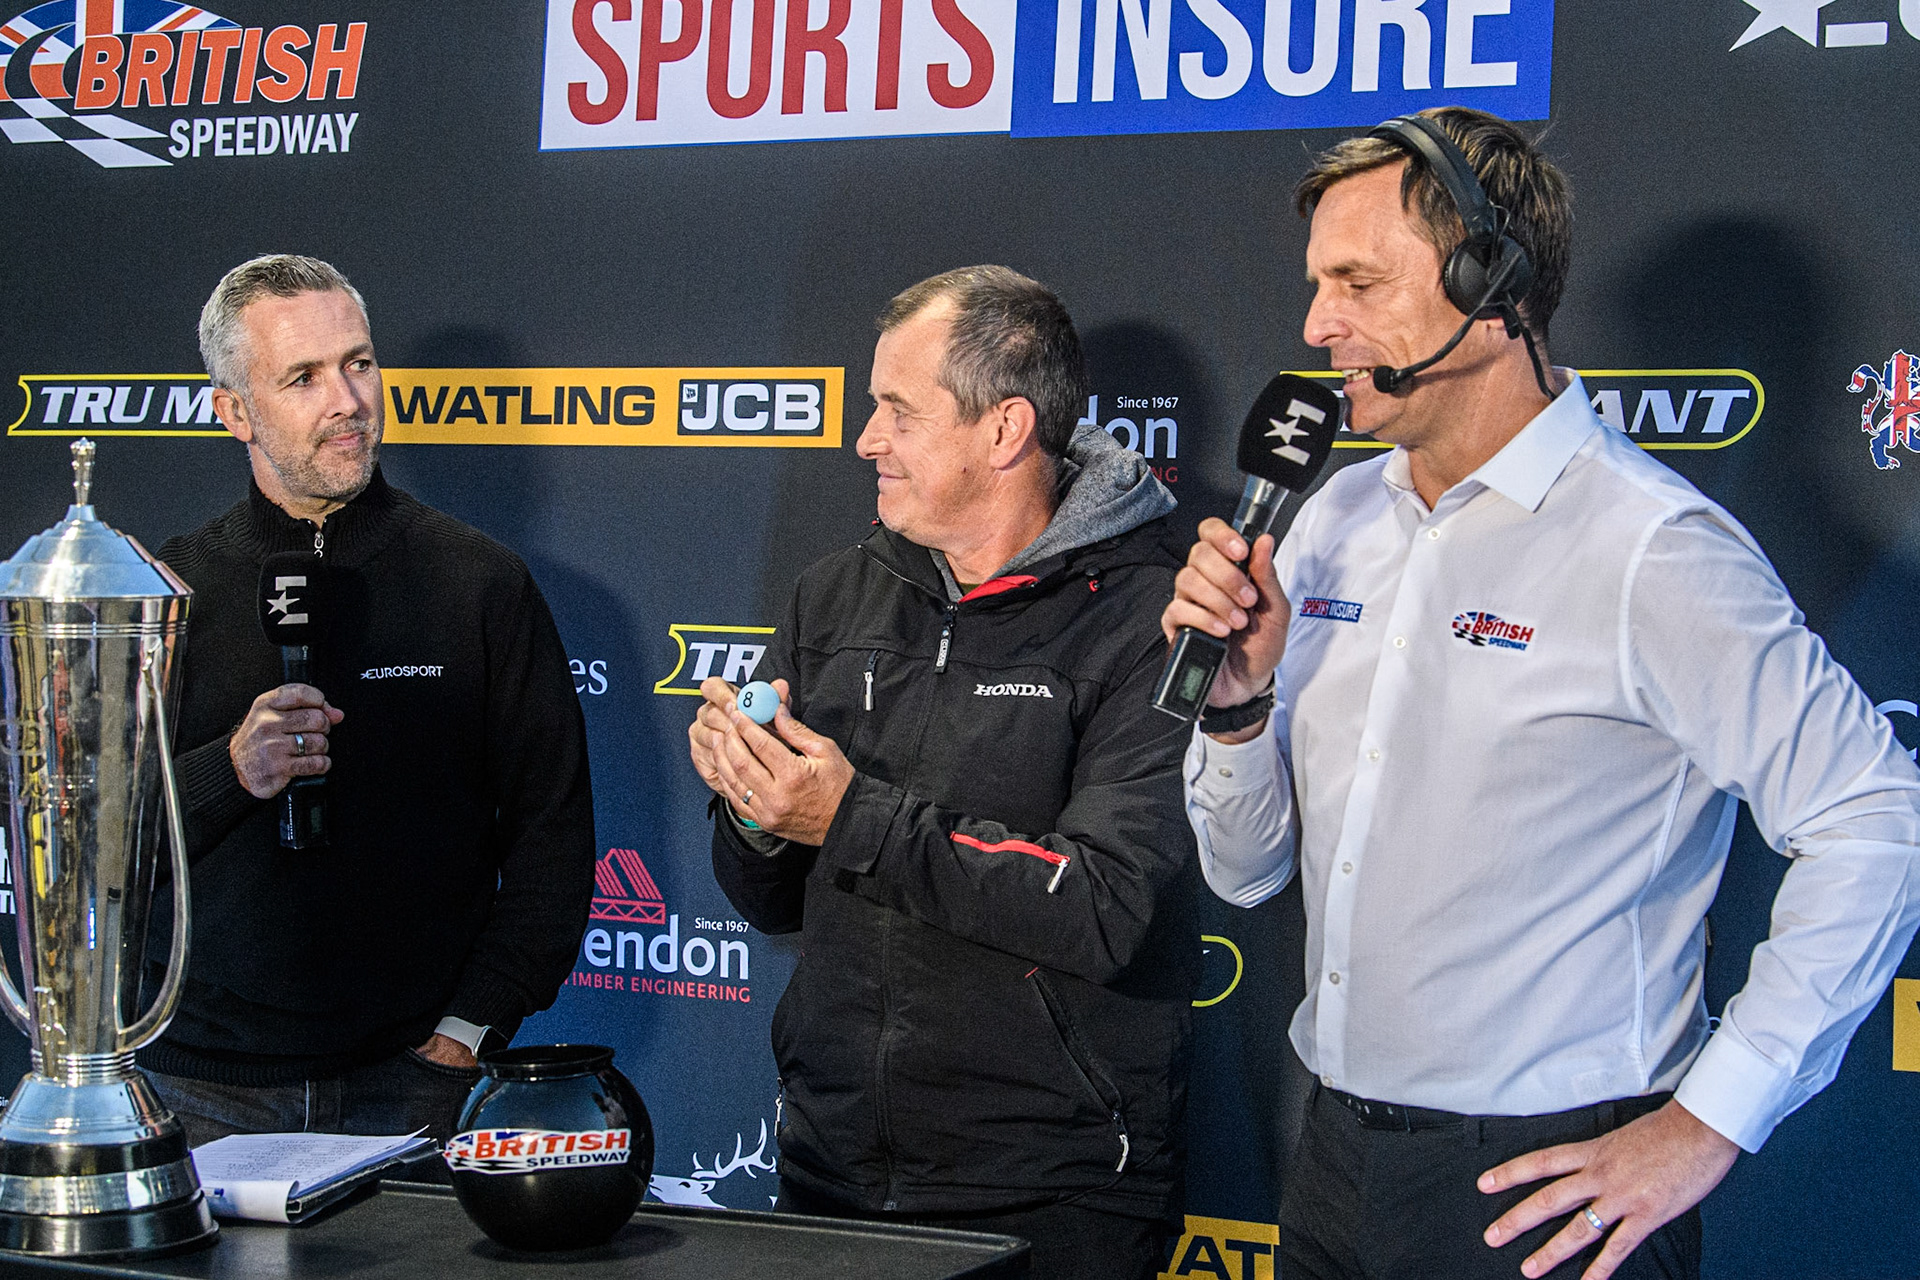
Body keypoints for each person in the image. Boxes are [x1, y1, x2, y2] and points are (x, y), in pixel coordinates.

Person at [1166, 108, 1920, 1280]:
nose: (1318, 325)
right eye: (1319, 284)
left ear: (1490, 278)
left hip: (1546, 1194)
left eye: (1359, 282)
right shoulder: (1329, 521)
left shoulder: (1652, 547)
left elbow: (1877, 818)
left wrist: (1708, 1121)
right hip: (1324, 1161)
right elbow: (1245, 870)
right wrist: (1237, 703)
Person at [687, 266, 1199, 1280]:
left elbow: (1103, 904)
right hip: (832, 1170)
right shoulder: (834, 594)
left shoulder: (1154, 620)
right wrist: (753, 806)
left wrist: (847, 813)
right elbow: (766, 896)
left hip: (1051, 1196)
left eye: (897, 411)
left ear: (1004, 431)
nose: (865, 438)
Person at [143, 254, 595, 1150]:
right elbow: (101, 840)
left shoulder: (479, 583)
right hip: (201, 1090)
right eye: (303, 377)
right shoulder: (167, 591)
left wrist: (467, 1033)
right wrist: (231, 771)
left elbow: (553, 833)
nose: (347, 400)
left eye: (358, 362)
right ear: (233, 410)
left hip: (414, 1087)